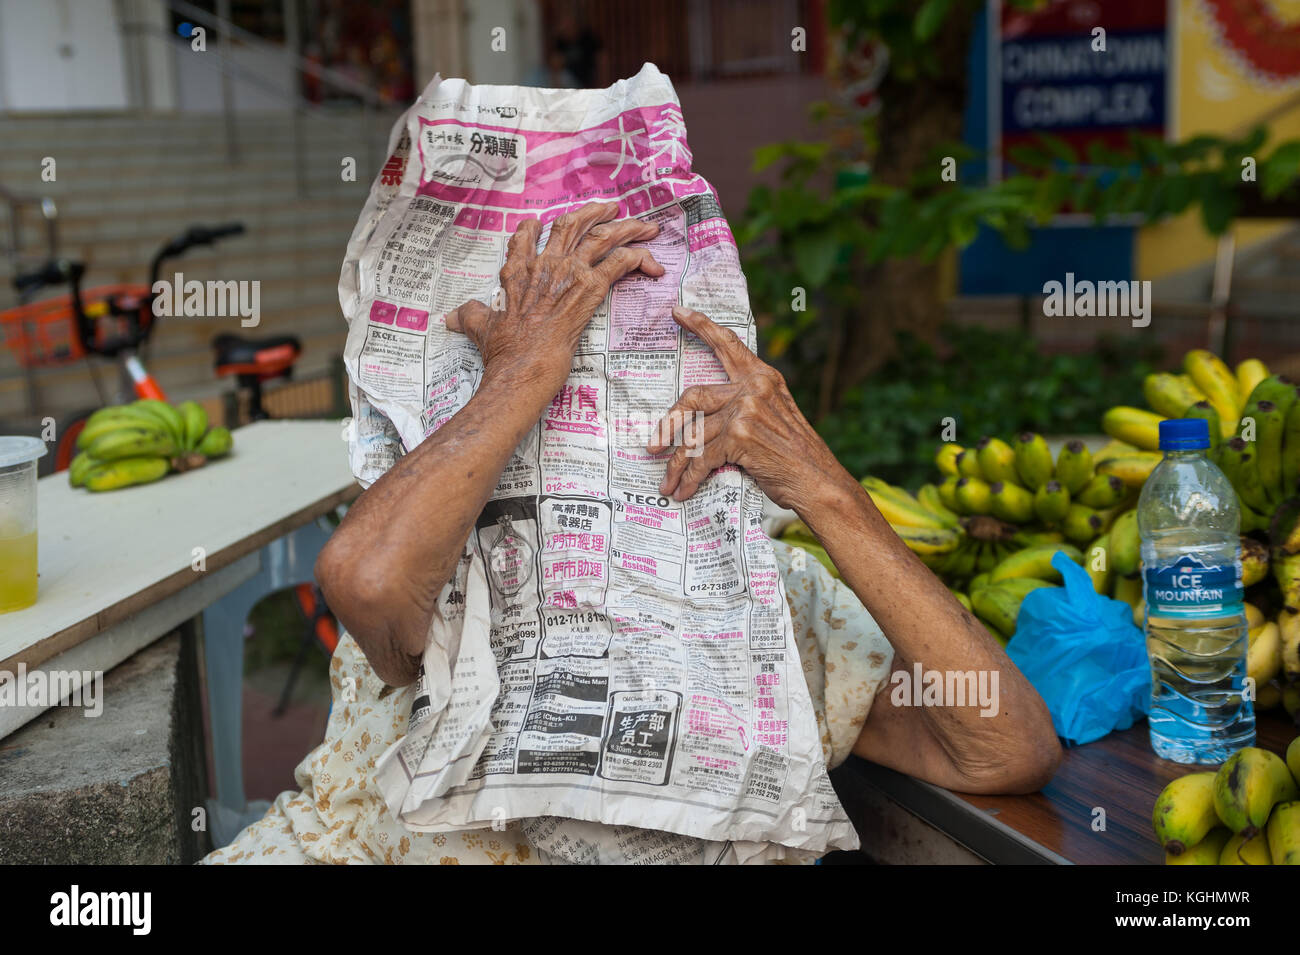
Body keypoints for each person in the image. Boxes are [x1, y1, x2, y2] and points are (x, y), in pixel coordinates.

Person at [204, 202, 1060, 864]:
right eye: (566, 367)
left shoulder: (775, 607)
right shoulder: (444, 546)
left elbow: (1006, 745)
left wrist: (817, 481)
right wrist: (523, 371)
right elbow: (364, 578)